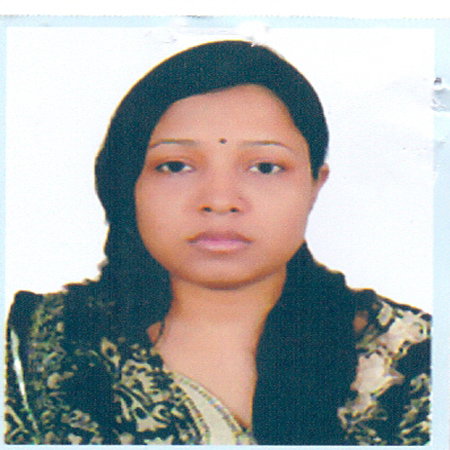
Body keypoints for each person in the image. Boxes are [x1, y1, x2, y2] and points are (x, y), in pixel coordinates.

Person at [5, 40, 430, 445]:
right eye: (176, 166)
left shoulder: (415, 360)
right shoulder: (37, 348)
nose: (221, 200)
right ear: (126, 183)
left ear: (314, 185)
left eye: (265, 167)